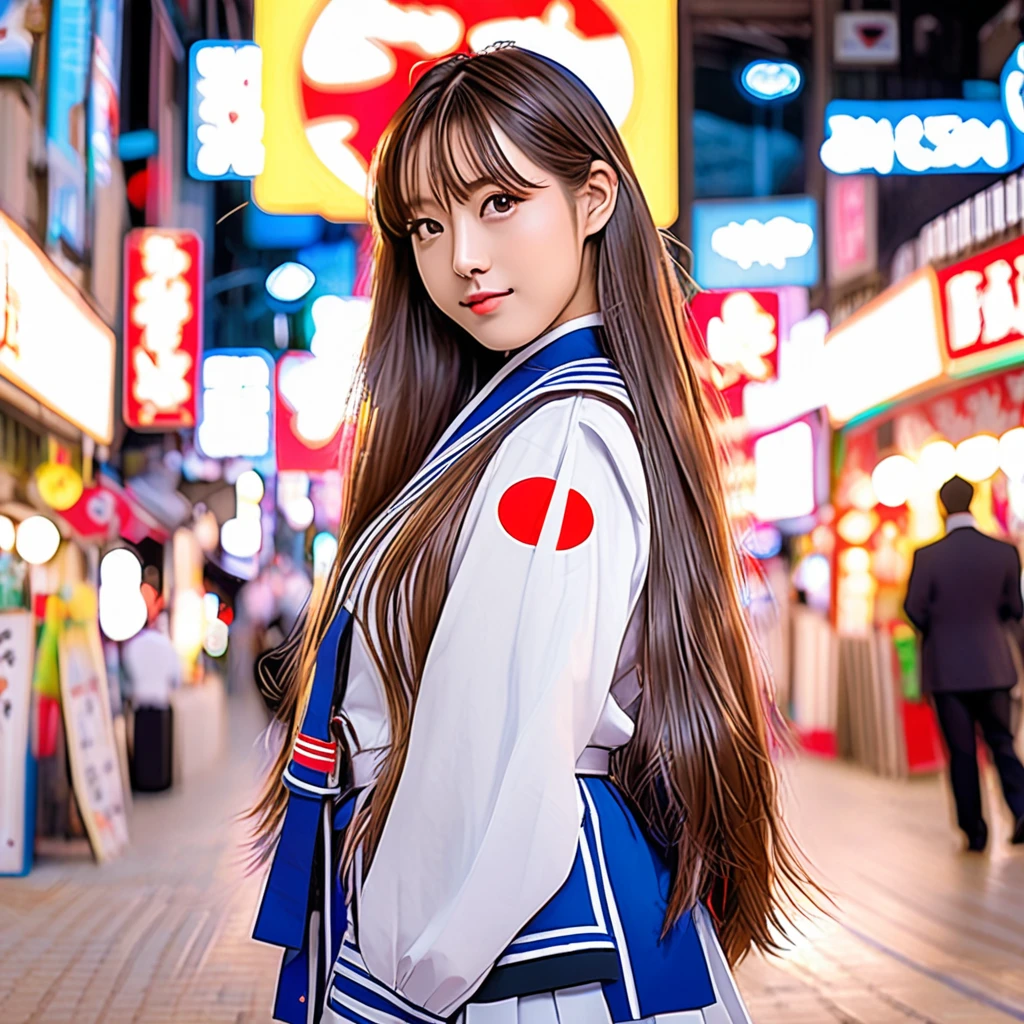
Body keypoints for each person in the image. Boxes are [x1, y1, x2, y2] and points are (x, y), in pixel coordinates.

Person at [250, 46, 814, 1024]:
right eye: (427, 223)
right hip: (532, 941)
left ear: (593, 197)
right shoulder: (525, 421)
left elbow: (489, 751)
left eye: (498, 203)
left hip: (514, 958)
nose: (460, 254)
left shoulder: (559, 435)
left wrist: (389, 981)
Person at [904, 474, 1024, 851]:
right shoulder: (1005, 552)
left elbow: (913, 609)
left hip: (947, 671)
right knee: (1002, 743)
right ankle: (1021, 810)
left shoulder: (927, 556)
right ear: (973, 501)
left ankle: (975, 831)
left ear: (942, 506)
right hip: (994, 666)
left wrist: (942, 626)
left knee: (962, 753)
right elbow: (1014, 610)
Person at [122, 584, 181, 792]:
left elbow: (127, 678)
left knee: (144, 753)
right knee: (159, 754)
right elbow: (176, 677)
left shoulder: (132, 645)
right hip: (161, 705)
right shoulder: (166, 645)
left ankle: (144, 785)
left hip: (141, 707)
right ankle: (160, 783)